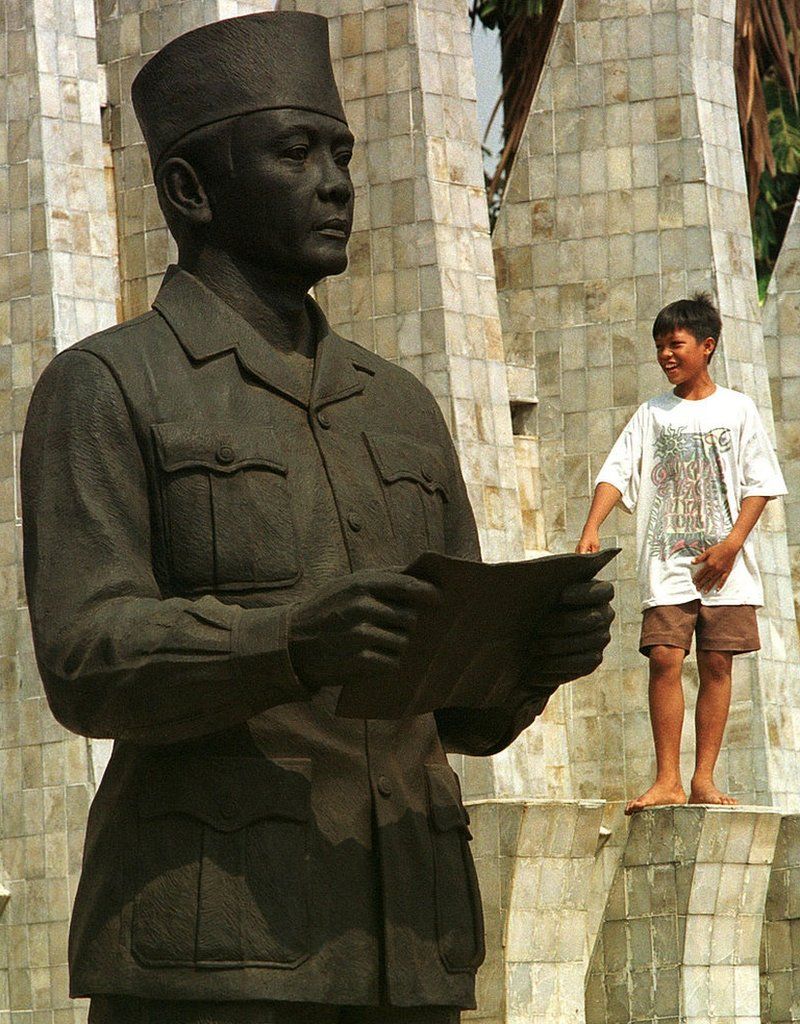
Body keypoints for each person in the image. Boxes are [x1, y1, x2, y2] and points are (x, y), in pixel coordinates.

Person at [21, 11, 614, 1024]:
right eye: (295, 152)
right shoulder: (108, 386)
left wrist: (528, 658)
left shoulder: (398, 406)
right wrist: (289, 639)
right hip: (220, 954)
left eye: (341, 152)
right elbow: (86, 657)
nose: (337, 181)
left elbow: (457, 715)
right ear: (189, 191)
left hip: (408, 947)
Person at [577, 292, 786, 815]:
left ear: (707, 346)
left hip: (727, 570)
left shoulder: (737, 408)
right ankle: (667, 777)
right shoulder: (652, 414)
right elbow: (615, 471)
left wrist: (732, 545)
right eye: (660, 347)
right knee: (665, 659)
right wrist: (591, 526)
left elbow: (760, 482)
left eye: (676, 344)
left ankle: (703, 778)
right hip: (667, 563)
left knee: (717, 664)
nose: (666, 355)